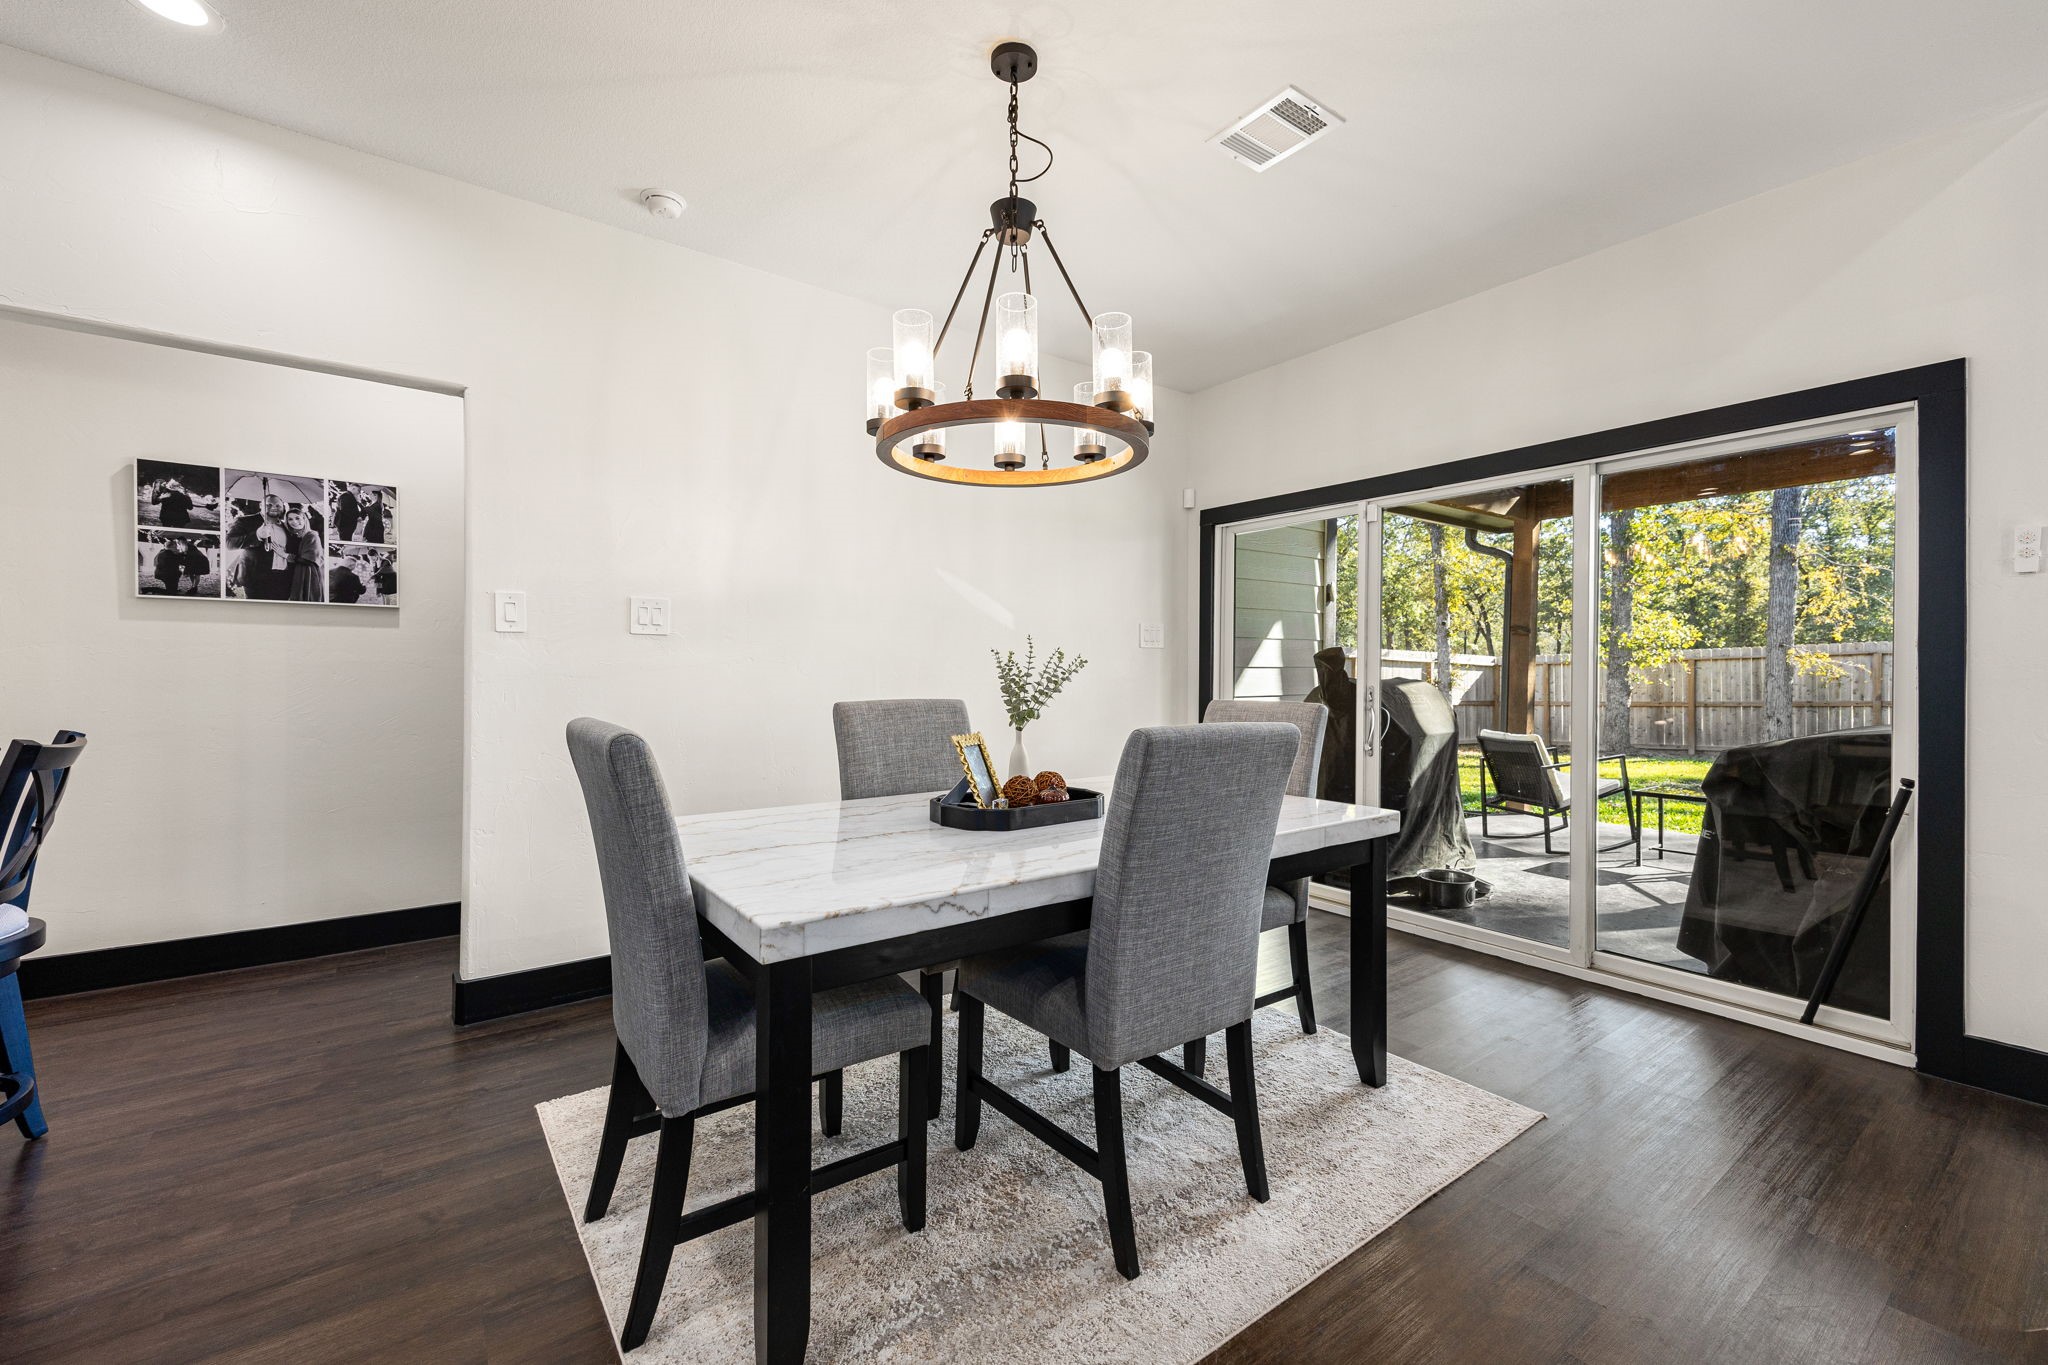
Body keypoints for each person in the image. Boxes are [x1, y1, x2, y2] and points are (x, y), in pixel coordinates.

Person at [224, 493, 295, 601]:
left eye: (278, 505)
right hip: (255, 579)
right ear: (261, 505)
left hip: (283, 579)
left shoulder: (287, 526)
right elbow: (229, 543)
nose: (274, 508)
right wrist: (257, 535)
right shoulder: (245, 521)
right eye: (269, 505)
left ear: (283, 508)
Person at [283, 507, 324, 602]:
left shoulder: (312, 536)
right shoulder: (296, 536)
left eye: (297, 518)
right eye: (290, 519)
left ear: (304, 519)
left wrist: (286, 556)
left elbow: (309, 560)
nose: (294, 522)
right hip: (296, 573)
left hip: (308, 574)